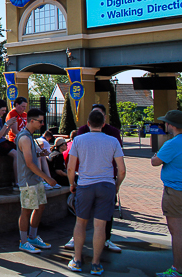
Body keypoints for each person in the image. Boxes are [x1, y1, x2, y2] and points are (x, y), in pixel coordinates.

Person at [67, 109, 126, 275]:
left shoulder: (78, 140)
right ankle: (96, 263)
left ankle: (77, 260)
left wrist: (72, 183)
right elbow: (121, 170)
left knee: (80, 223)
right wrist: (116, 185)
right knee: (100, 226)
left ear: (88, 124)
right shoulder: (113, 141)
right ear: (103, 124)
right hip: (106, 184)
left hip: (85, 185)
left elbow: (71, 167)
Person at [16, 108, 57, 254]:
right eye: (40, 121)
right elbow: (29, 163)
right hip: (28, 180)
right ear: (31, 121)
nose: (42, 124)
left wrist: (40, 153)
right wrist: (47, 178)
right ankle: (23, 241)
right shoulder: (25, 138)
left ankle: (32, 237)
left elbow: (30, 157)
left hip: (35, 179)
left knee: (40, 206)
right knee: (26, 210)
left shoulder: (30, 136)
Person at [151, 110, 182, 277]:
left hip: (175, 191)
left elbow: (155, 161)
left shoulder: (172, 144)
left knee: (177, 231)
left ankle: (177, 269)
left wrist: (156, 155)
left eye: (167, 123)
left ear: (172, 125)